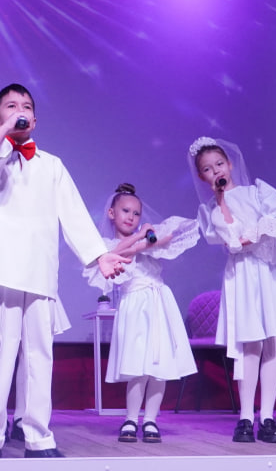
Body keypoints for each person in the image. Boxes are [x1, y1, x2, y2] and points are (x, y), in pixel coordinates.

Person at [0, 83, 129, 459]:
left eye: (27, 106)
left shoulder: (52, 165)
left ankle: (38, 437)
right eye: (11, 106)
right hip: (0, 269)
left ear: (35, 119)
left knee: (39, 356)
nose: (21, 110)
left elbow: (74, 214)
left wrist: (99, 256)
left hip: (39, 271)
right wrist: (5, 133)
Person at [191, 137, 276, 444]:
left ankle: (267, 416)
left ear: (229, 164)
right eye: (208, 169)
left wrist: (252, 235)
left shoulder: (258, 191)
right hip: (242, 273)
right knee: (249, 344)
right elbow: (229, 236)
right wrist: (221, 200)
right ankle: (245, 417)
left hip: (269, 269)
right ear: (202, 176)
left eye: (219, 164)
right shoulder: (210, 210)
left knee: (274, 341)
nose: (216, 171)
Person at [83, 184, 199, 444]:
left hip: (158, 302)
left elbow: (170, 236)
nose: (131, 217)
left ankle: (151, 420)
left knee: (158, 365)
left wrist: (146, 237)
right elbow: (115, 254)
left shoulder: (149, 238)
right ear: (111, 213)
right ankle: (130, 418)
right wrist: (139, 241)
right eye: (125, 211)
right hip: (134, 305)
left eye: (136, 214)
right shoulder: (106, 245)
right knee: (137, 365)